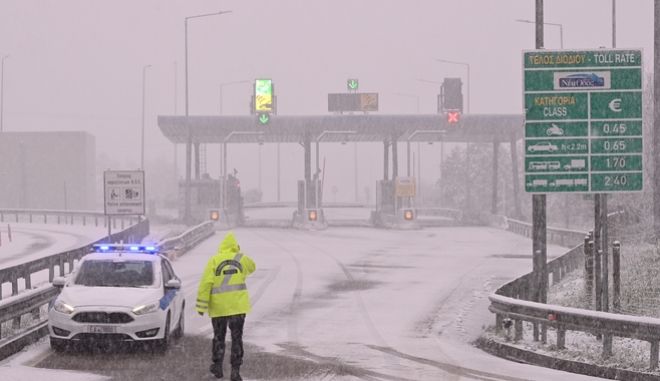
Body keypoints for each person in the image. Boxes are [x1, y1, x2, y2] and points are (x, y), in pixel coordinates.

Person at [196, 232, 256, 380]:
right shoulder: (241, 259)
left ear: (221, 247)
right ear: (235, 247)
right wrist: (238, 253)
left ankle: (217, 366)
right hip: (238, 307)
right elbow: (252, 267)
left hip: (219, 308)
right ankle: (235, 371)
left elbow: (206, 283)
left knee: (219, 337)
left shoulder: (214, 261)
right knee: (237, 338)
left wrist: (201, 306)